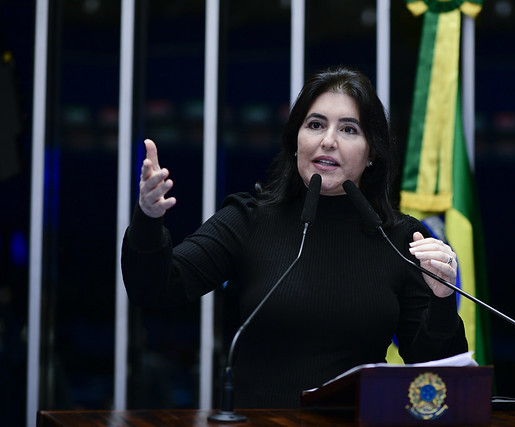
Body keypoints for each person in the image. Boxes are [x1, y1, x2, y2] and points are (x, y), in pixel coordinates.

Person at [121, 65, 467, 409]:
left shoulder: (401, 238)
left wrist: (440, 300)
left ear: (371, 151)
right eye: (315, 125)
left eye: (348, 129)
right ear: (296, 140)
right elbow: (153, 288)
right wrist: (149, 220)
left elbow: (435, 383)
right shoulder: (249, 219)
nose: (327, 140)